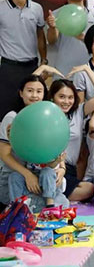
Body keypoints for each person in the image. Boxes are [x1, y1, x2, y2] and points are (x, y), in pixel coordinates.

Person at [0, 71, 57, 206]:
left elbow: (52, 154)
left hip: (37, 176)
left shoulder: (46, 119)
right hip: (15, 178)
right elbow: (4, 154)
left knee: (60, 200)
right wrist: (27, 174)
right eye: (30, 91)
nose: (34, 95)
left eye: (39, 91)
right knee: (29, 204)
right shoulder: (12, 118)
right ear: (21, 93)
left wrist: (59, 167)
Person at [52, 67, 94, 201]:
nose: (66, 102)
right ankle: (52, 195)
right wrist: (42, 68)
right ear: (52, 97)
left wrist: (86, 69)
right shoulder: (46, 112)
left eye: (70, 97)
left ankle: (54, 195)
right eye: (61, 97)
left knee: (90, 188)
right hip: (51, 167)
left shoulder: (78, 112)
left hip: (70, 168)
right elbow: (29, 90)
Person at [0, 0, 47, 118]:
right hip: (8, 67)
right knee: (7, 109)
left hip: (31, 67)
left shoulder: (37, 8)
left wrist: (44, 60)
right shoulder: (1, 9)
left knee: (32, 111)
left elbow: (40, 35)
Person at [47, 0, 94, 77]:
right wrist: (52, 28)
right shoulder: (57, 14)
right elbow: (51, 41)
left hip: (89, 73)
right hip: (65, 72)